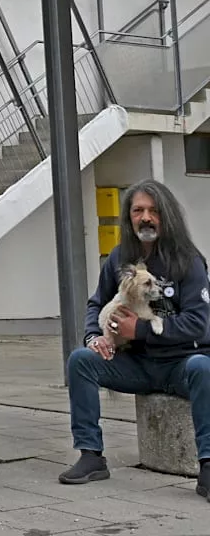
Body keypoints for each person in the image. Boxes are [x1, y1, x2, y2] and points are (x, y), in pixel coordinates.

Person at [59, 180, 210, 497]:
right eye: (138, 210)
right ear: (128, 218)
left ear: (165, 216)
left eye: (153, 211)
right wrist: (92, 336)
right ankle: (90, 455)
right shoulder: (117, 259)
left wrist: (139, 330)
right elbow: (96, 304)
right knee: (81, 361)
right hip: (136, 365)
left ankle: (208, 466)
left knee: (203, 367)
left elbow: (198, 323)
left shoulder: (188, 260)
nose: (146, 217)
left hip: (180, 363)